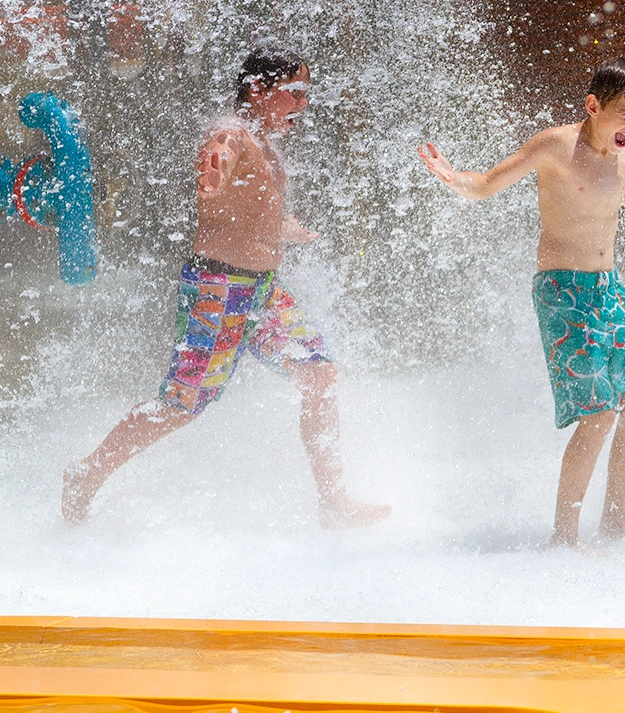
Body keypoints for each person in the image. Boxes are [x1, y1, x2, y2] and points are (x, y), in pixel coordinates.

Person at [63, 47, 390, 529]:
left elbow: (251, 206)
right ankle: (86, 474)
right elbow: (218, 156)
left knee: (319, 375)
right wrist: (211, 172)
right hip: (220, 288)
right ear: (258, 89)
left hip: (262, 291)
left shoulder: (264, 140)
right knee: (181, 405)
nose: (303, 102)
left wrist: (285, 226)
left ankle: (334, 501)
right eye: (294, 91)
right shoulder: (233, 133)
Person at [418, 56, 625, 546]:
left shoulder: (621, 150)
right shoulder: (555, 146)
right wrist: (453, 176)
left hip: (608, 288)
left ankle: (613, 522)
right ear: (592, 106)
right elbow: (485, 185)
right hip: (562, 290)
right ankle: (563, 538)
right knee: (598, 414)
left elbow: (615, 193)